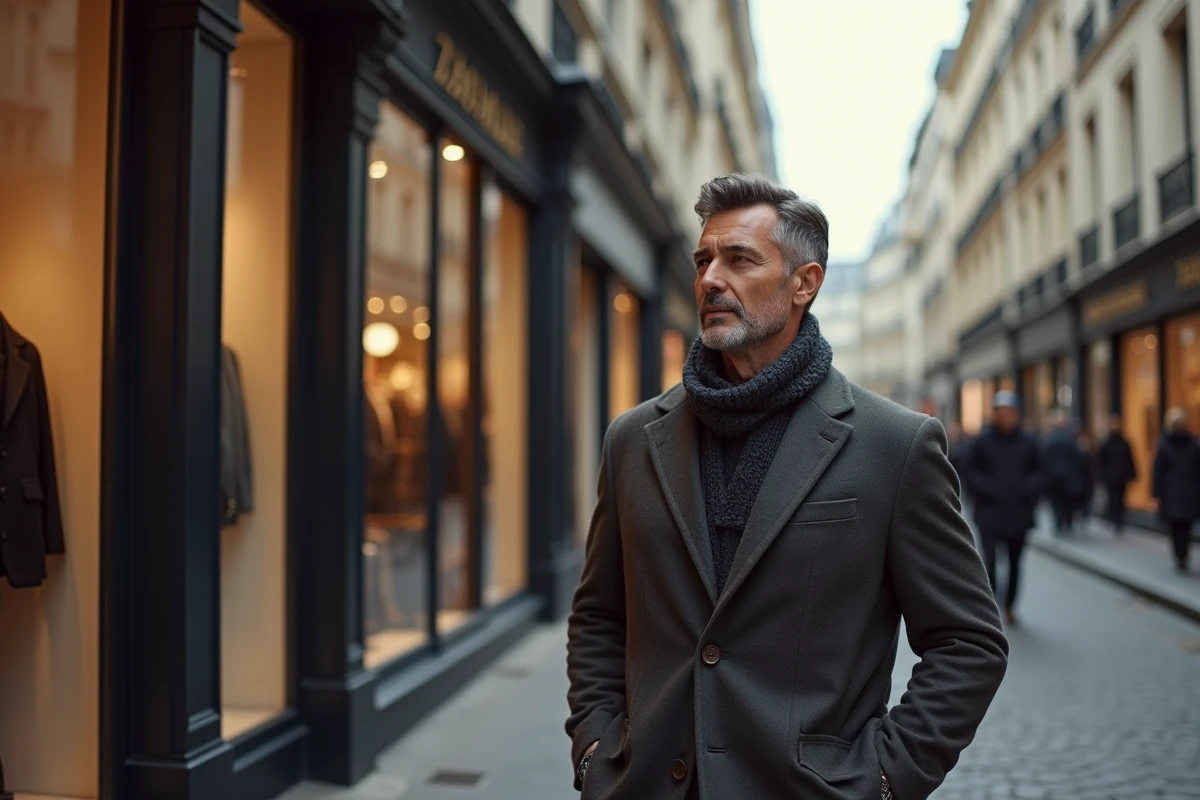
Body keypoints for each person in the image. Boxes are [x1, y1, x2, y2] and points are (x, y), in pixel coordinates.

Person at [566, 173, 1007, 800]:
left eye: (739, 259)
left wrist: (883, 780)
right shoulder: (633, 439)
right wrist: (595, 749)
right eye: (704, 259)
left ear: (805, 283)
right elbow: (599, 616)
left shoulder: (894, 445)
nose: (711, 278)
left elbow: (968, 642)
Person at [965, 392, 1043, 624]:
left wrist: (1024, 489)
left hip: (1018, 512)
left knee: (1015, 562)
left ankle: (1009, 605)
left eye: (1009, 412)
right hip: (989, 512)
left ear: (1017, 414)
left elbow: (1039, 472)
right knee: (988, 561)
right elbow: (970, 471)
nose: (1005, 417)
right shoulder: (982, 440)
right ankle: (991, 606)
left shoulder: (1029, 441)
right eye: (1001, 412)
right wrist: (990, 489)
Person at [1152, 407, 1200, 572]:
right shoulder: (1192, 444)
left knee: (1177, 527)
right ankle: (1183, 555)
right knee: (1184, 526)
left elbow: (1158, 471)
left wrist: (1157, 493)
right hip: (1187, 492)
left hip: (1174, 492)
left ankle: (1181, 555)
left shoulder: (1166, 445)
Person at [1041, 411, 1089, 535]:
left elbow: (1044, 459)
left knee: (1056, 501)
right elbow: (1077, 458)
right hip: (1068, 476)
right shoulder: (1070, 438)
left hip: (1053, 476)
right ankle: (1067, 523)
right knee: (1067, 501)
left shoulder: (1049, 438)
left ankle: (1058, 523)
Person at [1097, 415, 1136, 534]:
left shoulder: (1124, 442)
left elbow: (1130, 459)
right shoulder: (1106, 443)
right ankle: (1115, 518)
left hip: (1121, 476)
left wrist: (1132, 473)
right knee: (1113, 498)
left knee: (1121, 498)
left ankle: (1119, 519)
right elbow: (1100, 460)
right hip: (1111, 477)